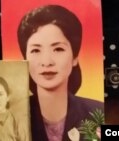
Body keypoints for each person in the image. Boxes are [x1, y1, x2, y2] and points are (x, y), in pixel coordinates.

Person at [17, 5, 103, 141]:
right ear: (24, 59)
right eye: (36, 50)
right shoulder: (11, 116)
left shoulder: (99, 112)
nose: (46, 62)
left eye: (58, 49)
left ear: (75, 57)